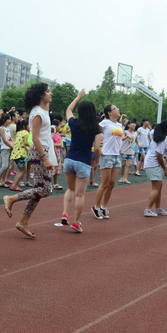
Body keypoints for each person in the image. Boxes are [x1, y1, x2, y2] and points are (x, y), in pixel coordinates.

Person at [3, 83, 56, 238]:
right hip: (39, 152)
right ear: (40, 95)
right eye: (48, 91)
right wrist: (45, 158)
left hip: (43, 151)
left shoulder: (43, 110)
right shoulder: (37, 113)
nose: (51, 93)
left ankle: (23, 221)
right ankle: (11, 198)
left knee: (40, 189)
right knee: (45, 189)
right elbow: (36, 138)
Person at [58, 89, 100, 232]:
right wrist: (96, 161)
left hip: (69, 159)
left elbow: (68, 110)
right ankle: (76, 222)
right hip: (83, 161)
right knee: (80, 194)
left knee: (70, 189)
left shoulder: (74, 123)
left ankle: (65, 213)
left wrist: (78, 97)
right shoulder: (96, 128)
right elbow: (97, 148)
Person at [92, 105, 124, 220]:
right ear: (109, 112)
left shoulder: (119, 125)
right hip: (106, 155)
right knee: (104, 183)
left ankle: (104, 206)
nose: (118, 109)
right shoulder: (104, 123)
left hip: (116, 155)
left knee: (111, 184)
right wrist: (96, 146)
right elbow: (94, 132)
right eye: (115, 108)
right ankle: (96, 206)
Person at [143, 120, 167, 217]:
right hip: (153, 164)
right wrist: (165, 169)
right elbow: (159, 156)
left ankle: (157, 208)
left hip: (151, 163)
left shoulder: (159, 137)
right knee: (156, 188)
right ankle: (148, 209)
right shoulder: (162, 140)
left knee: (159, 187)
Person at [118, 119, 137, 184]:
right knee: (123, 164)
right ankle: (121, 177)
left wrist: (139, 143)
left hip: (131, 150)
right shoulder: (125, 132)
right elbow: (122, 138)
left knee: (129, 164)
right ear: (128, 125)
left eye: (134, 124)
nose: (134, 125)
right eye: (132, 124)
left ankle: (125, 178)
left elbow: (136, 140)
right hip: (124, 150)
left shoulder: (135, 133)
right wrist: (127, 136)